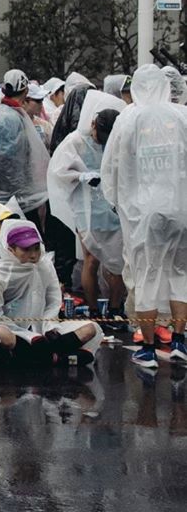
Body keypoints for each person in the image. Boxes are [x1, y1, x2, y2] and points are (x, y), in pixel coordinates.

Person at [102, 65, 187, 369]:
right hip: (181, 209)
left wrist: (116, 201)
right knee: (180, 274)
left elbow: (112, 166)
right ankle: (179, 340)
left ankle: (149, 347)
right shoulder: (182, 116)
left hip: (145, 212)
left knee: (147, 275)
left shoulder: (130, 118)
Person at [47, 91, 126, 318]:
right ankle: (94, 310)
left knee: (118, 261)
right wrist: (81, 176)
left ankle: (114, 307)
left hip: (112, 209)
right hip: (86, 208)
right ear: (93, 124)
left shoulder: (116, 142)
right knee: (91, 258)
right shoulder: (75, 141)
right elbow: (58, 171)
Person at [0, 221, 103, 365]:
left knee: (90, 329)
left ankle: (37, 357)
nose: (33, 255)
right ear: (10, 249)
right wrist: (27, 335)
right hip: (12, 330)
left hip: (43, 329)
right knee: (2, 335)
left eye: (36, 248)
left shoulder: (45, 265)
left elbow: (53, 300)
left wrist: (49, 326)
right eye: (26, 249)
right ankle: (56, 358)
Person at [0, 70, 51, 231]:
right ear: (26, 91)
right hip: (13, 196)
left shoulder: (5, 115)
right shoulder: (10, 117)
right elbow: (11, 162)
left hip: (8, 194)